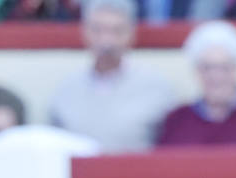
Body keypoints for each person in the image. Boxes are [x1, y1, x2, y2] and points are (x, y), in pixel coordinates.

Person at [48, 0, 174, 154]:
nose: (107, 41)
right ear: (84, 32)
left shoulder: (158, 90)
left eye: (117, 31)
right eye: (98, 30)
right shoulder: (65, 91)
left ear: (131, 34)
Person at [156, 21, 236, 148]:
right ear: (197, 72)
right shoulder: (175, 121)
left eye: (224, 67)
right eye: (207, 68)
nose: (216, 76)